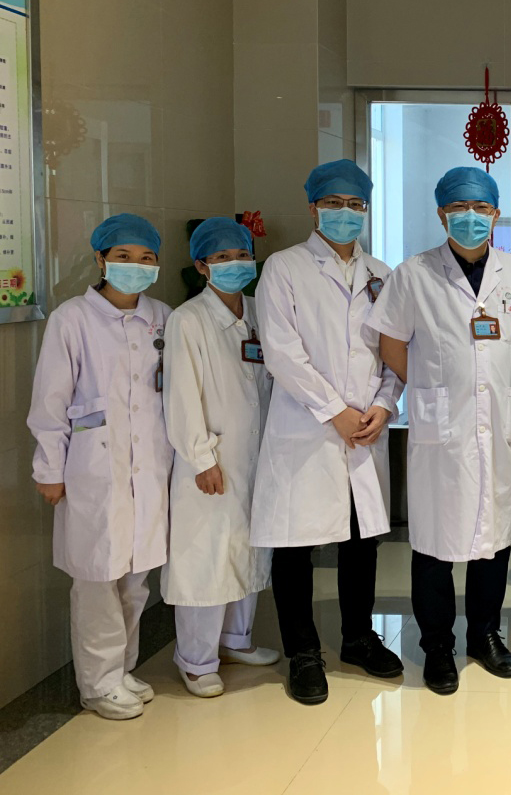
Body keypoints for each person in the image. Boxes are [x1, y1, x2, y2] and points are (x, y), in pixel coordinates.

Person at [367, 166, 511, 694]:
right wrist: (430, 388)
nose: (471, 217)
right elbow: (390, 343)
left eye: (481, 208)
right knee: (434, 544)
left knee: (495, 539)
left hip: (499, 425)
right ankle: (437, 645)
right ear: (441, 214)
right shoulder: (413, 273)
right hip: (442, 428)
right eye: (459, 208)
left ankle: (484, 636)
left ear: (496, 213)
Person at [251, 159, 405, 705]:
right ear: (312, 207)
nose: (345, 213)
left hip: (365, 428)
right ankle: (303, 652)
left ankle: (358, 639)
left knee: (362, 541)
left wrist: (384, 405)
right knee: (295, 544)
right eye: (333, 203)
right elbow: (281, 352)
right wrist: (335, 410)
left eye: (354, 204)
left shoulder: (382, 274)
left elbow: (395, 351)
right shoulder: (284, 268)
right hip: (307, 428)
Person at [27, 213, 172, 720]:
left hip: (148, 469)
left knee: (135, 580)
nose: (135, 265)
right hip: (92, 470)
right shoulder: (72, 319)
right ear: (100, 259)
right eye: (123, 256)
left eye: (146, 258)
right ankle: (97, 683)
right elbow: (50, 400)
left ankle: (122, 670)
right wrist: (50, 469)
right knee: (96, 579)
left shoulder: (162, 317)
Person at [162, 217, 279, 698]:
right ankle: (195, 659)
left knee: (248, 547)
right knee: (206, 557)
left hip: (257, 455)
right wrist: (200, 458)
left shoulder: (259, 311)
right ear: (201, 266)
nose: (235, 264)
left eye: (242, 255)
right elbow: (181, 395)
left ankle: (236, 640)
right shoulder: (188, 320)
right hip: (212, 459)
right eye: (222, 258)